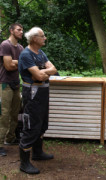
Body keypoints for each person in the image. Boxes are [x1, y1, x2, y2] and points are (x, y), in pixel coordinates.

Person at [18, 27, 57, 174]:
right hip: (32, 94)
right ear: (34, 38)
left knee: (42, 124)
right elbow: (39, 77)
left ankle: (37, 152)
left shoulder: (40, 53)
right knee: (31, 125)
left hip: (43, 93)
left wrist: (42, 72)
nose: (45, 38)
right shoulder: (26, 54)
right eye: (42, 36)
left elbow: (53, 69)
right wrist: (41, 73)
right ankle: (24, 163)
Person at [0, 23, 24, 157]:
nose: (21, 32)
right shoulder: (5, 45)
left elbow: (25, 63)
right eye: (18, 30)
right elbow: (8, 66)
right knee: (4, 114)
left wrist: (16, 62)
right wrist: (18, 63)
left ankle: (10, 138)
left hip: (16, 84)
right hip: (4, 84)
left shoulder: (20, 47)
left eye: (22, 30)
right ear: (11, 31)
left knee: (15, 113)